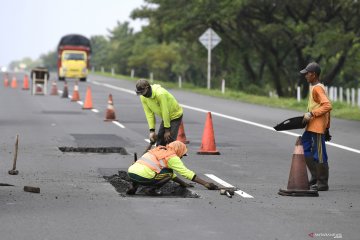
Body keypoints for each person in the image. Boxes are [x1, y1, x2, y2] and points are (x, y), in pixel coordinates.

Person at [126, 140, 219, 196]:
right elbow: (185, 173)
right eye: (182, 154)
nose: (182, 157)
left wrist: (184, 184)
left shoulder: (159, 149)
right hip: (143, 176)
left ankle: (133, 186)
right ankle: (151, 189)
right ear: (179, 151)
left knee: (145, 169)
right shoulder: (172, 156)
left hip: (131, 173)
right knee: (169, 173)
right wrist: (206, 184)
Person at [300, 62, 332, 191]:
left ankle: (322, 183)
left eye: (307, 73)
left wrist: (312, 113)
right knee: (304, 145)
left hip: (317, 126)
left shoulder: (318, 88)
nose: (305, 76)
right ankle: (315, 177)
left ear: (313, 74)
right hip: (311, 125)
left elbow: (327, 106)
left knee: (319, 153)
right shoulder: (314, 87)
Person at [135, 79, 183, 146]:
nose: (142, 94)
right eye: (140, 93)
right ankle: (160, 155)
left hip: (175, 115)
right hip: (165, 117)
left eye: (142, 92)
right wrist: (152, 131)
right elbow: (149, 114)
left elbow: (165, 111)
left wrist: (167, 130)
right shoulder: (143, 97)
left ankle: (172, 155)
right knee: (160, 140)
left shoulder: (160, 94)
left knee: (169, 139)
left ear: (147, 88)